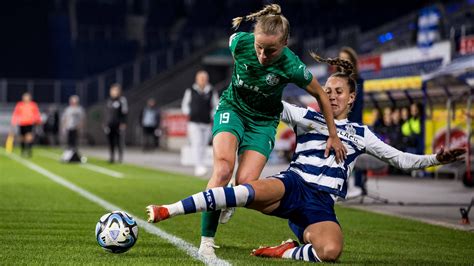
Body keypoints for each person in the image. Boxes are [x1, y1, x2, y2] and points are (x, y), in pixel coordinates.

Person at [145, 55, 465, 263]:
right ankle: (167, 210)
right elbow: (271, 101)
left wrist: (437, 157)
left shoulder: (360, 133)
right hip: (293, 185)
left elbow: (402, 160)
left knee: (331, 252)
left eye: (339, 91)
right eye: (328, 90)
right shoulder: (307, 117)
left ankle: (288, 251)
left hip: (321, 204)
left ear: (352, 97)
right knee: (244, 189)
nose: (332, 95)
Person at [189, 4, 347, 259]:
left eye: (271, 50)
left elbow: (320, 93)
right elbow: (238, 41)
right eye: (259, 47)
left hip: (263, 122)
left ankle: (227, 197)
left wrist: (333, 134)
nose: (263, 55)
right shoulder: (238, 42)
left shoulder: (292, 66)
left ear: (285, 43)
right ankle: (207, 241)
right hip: (233, 109)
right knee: (223, 169)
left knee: (245, 185)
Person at [181, 70, 219, 176]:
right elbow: (185, 104)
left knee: (203, 144)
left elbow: (216, 105)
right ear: (197, 79)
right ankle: (198, 165)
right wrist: (188, 113)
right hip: (193, 122)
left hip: (206, 122)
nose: (202, 80)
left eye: (204, 78)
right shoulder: (190, 90)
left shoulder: (211, 91)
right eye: (200, 78)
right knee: (196, 143)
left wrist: (212, 115)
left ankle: (201, 164)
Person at [10, 92, 42, 157]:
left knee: (29, 137)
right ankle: (23, 150)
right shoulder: (20, 105)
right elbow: (16, 114)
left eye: (27, 97)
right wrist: (13, 122)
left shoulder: (33, 105)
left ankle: (29, 150)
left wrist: (38, 121)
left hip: (30, 123)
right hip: (22, 123)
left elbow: (37, 113)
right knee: (22, 138)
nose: (25, 98)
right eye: (24, 97)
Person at [103, 83, 128, 163]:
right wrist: (105, 123)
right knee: (111, 141)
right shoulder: (109, 101)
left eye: (115, 90)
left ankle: (120, 158)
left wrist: (123, 123)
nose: (113, 92)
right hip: (110, 124)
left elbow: (125, 113)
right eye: (112, 90)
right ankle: (112, 157)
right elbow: (106, 113)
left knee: (119, 141)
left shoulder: (122, 100)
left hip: (118, 124)